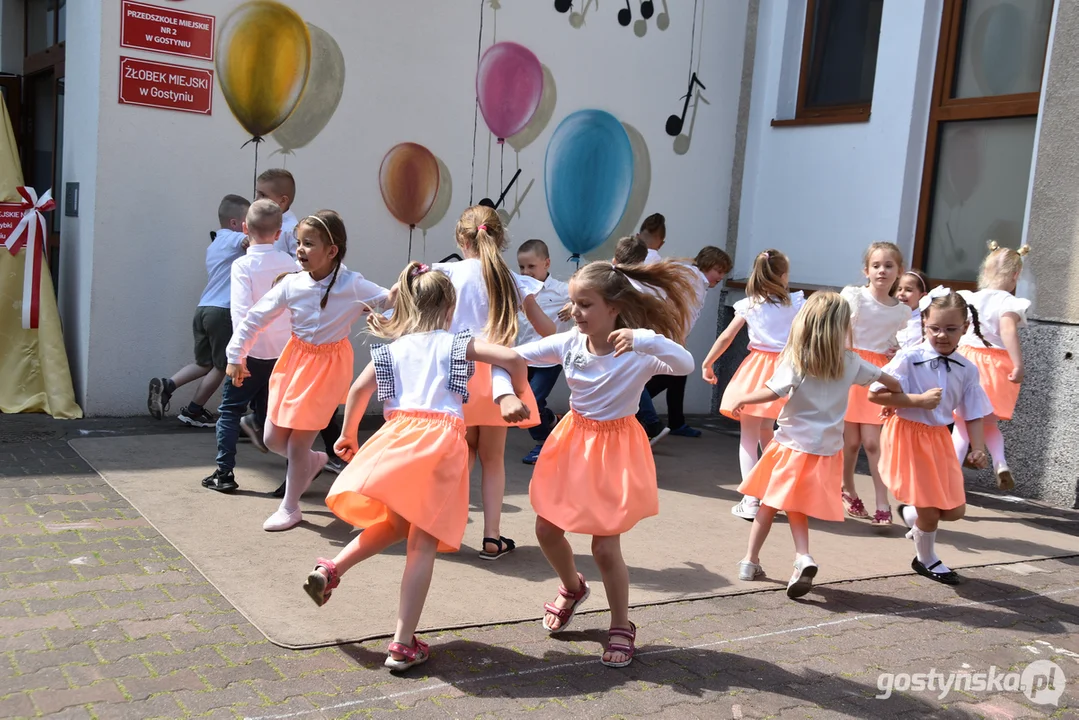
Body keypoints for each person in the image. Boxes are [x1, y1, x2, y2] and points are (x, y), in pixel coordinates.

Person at [304, 262, 529, 672]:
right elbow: (512, 355)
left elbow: (358, 389)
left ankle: (333, 567)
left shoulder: (393, 348)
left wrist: (348, 434)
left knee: (394, 525)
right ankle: (402, 643)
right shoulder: (457, 343)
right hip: (439, 443)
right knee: (421, 543)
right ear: (450, 306)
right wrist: (514, 390)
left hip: (397, 437)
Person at [516, 260, 696, 668]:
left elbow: (685, 364)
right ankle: (572, 588)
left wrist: (645, 338)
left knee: (604, 546)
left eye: (585, 304)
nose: (576, 312)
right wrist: (468, 350)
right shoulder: (569, 344)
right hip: (572, 442)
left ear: (614, 307)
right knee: (546, 528)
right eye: (573, 303)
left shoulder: (638, 351)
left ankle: (621, 625)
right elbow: (518, 355)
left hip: (615, 449)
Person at [729, 292, 902, 597]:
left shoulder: (799, 359)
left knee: (771, 504)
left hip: (790, 446)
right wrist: (893, 402)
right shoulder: (850, 361)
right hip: (825, 451)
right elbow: (889, 380)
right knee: (790, 504)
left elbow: (772, 392)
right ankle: (774, 558)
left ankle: (766, 559)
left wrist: (743, 397)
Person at [226, 210, 390, 531]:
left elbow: (391, 302)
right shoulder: (292, 284)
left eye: (309, 243)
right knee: (273, 439)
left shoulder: (353, 284)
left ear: (332, 251)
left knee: (299, 442)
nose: (300, 249)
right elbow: (256, 317)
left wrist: (391, 318)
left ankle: (290, 507)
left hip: (328, 368)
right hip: (294, 362)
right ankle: (315, 461)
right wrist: (236, 356)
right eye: (299, 242)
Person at [431, 205, 554, 559]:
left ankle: (442, 527)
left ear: (460, 238)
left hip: (457, 371)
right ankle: (492, 537)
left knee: (462, 452)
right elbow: (547, 330)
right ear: (500, 238)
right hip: (497, 376)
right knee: (494, 458)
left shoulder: (447, 273)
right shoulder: (513, 279)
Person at [869, 291, 992, 585]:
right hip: (907, 434)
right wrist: (916, 401)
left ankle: (913, 515)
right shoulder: (909, 358)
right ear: (924, 323)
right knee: (929, 508)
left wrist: (977, 448)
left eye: (951, 329)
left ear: (964, 328)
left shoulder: (967, 369)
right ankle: (926, 559)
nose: (942, 335)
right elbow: (875, 394)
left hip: (938, 439)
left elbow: (973, 412)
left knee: (953, 510)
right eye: (935, 328)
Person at [203, 200, 298, 492]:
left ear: (245, 228)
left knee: (230, 410)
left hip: (251, 351)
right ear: (280, 231)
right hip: (284, 353)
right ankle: (291, 477)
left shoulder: (242, 265)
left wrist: (237, 354)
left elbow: (241, 311)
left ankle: (225, 473)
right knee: (279, 414)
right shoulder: (290, 263)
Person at [703, 249, 804, 521]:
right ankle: (771, 493)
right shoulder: (795, 304)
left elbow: (726, 337)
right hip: (786, 370)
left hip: (755, 370)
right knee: (769, 434)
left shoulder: (749, 305)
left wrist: (708, 362)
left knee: (748, 437)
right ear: (783, 276)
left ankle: (750, 499)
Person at [147, 194, 250, 428]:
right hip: (222, 311)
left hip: (204, 309)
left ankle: (168, 385)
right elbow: (247, 243)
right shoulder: (233, 239)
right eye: (248, 222)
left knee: (204, 363)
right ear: (235, 223)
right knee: (224, 366)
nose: (251, 227)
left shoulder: (214, 244)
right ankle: (194, 411)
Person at [839, 242, 912, 526]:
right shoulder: (854, 297)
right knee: (851, 441)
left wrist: (897, 353)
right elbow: (842, 332)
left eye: (889, 266)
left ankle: (883, 502)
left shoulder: (901, 311)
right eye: (876, 265)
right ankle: (847, 488)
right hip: (851, 369)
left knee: (872, 442)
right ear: (866, 270)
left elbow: (901, 343)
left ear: (899, 271)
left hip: (877, 376)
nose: (882, 271)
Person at [953, 242, 1032, 491]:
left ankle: (950, 480)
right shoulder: (1009, 302)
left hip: (968, 363)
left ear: (984, 272)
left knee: (962, 425)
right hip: (997, 367)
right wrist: (1018, 364)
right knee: (988, 423)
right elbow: (1008, 330)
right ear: (1015, 275)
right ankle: (1000, 462)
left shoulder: (969, 299)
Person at [644, 246, 732, 438]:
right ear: (707, 265)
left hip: (674, 336)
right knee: (673, 373)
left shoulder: (698, 281)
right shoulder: (692, 276)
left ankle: (675, 421)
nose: (721, 276)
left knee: (678, 374)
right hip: (668, 335)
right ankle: (640, 407)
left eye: (724, 272)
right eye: (718, 271)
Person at [516, 239, 572, 465]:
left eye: (531, 266)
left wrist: (575, 304)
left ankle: (543, 443)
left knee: (531, 403)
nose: (526, 272)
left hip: (549, 360)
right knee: (524, 404)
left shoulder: (562, 290)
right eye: (522, 267)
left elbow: (591, 294)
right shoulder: (519, 289)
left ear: (546, 263)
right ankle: (551, 419)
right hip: (523, 357)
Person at [255, 168, 299, 258]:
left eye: (263, 195)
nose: (256, 199)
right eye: (257, 193)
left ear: (283, 200)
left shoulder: (292, 230)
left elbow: (298, 263)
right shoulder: (257, 221)